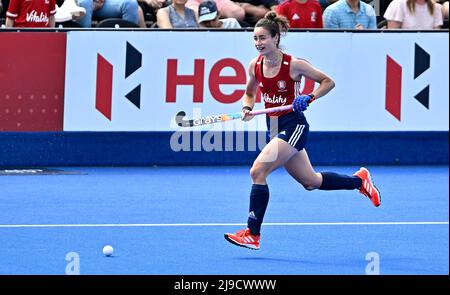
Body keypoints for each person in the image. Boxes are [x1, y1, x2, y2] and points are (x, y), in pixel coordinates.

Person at [224, 11, 381, 250]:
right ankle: (359, 182)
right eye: (255, 39)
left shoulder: (294, 64)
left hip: (293, 125)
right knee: (311, 181)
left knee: (258, 171)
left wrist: (309, 97)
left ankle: (252, 234)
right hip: (274, 127)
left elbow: (328, 81)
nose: (258, 43)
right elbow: (249, 92)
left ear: (276, 38)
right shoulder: (254, 66)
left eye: (263, 38)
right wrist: (247, 106)